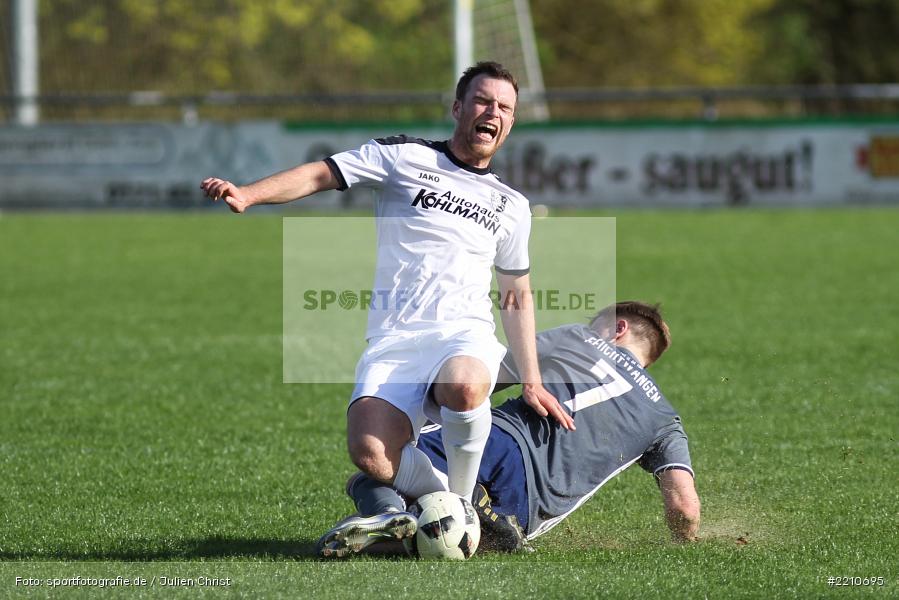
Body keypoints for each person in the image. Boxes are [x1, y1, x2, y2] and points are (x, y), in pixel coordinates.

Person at [201, 62, 572, 513]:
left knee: (464, 383)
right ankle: (459, 499)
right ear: (458, 107)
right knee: (371, 454)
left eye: (504, 107)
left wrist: (530, 380)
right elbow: (321, 174)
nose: (492, 111)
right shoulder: (404, 156)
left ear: (510, 122)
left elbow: (516, 291)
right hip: (396, 337)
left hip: (464, 334)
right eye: (482, 100)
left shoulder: (513, 206)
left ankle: (462, 511)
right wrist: (249, 194)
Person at [317, 301, 701, 557]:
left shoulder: (579, 338)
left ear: (618, 328)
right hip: (532, 507)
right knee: (454, 537)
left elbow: (489, 376)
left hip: (499, 441)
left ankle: (388, 511)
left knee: (375, 472)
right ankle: (485, 522)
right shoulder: (665, 420)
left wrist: (432, 419)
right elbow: (683, 505)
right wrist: (683, 545)